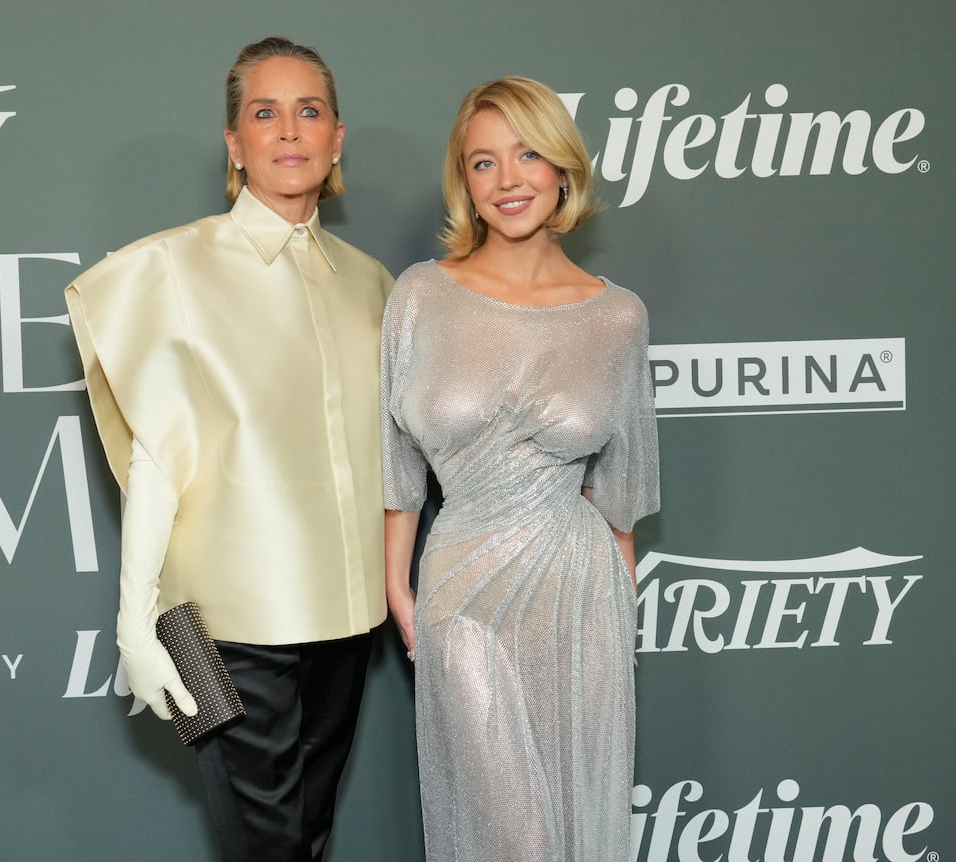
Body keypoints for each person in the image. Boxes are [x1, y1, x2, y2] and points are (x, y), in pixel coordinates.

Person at [65, 36, 392, 862]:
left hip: (347, 623)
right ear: (234, 144)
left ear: (337, 138)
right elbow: (156, 456)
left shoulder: (373, 282)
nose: (289, 130)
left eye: (308, 111)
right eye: (264, 112)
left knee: (308, 837)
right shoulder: (168, 269)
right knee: (265, 848)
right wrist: (134, 621)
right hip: (222, 627)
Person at [381, 76, 659, 861]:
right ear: (463, 182)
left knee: (579, 824)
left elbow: (622, 493)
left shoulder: (617, 315)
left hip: (579, 592)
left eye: (527, 154)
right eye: (483, 162)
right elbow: (396, 460)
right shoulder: (422, 296)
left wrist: (624, 607)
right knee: (514, 837)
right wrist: (396, 586)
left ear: (563, 169)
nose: (507, 180)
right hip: (462, 585)